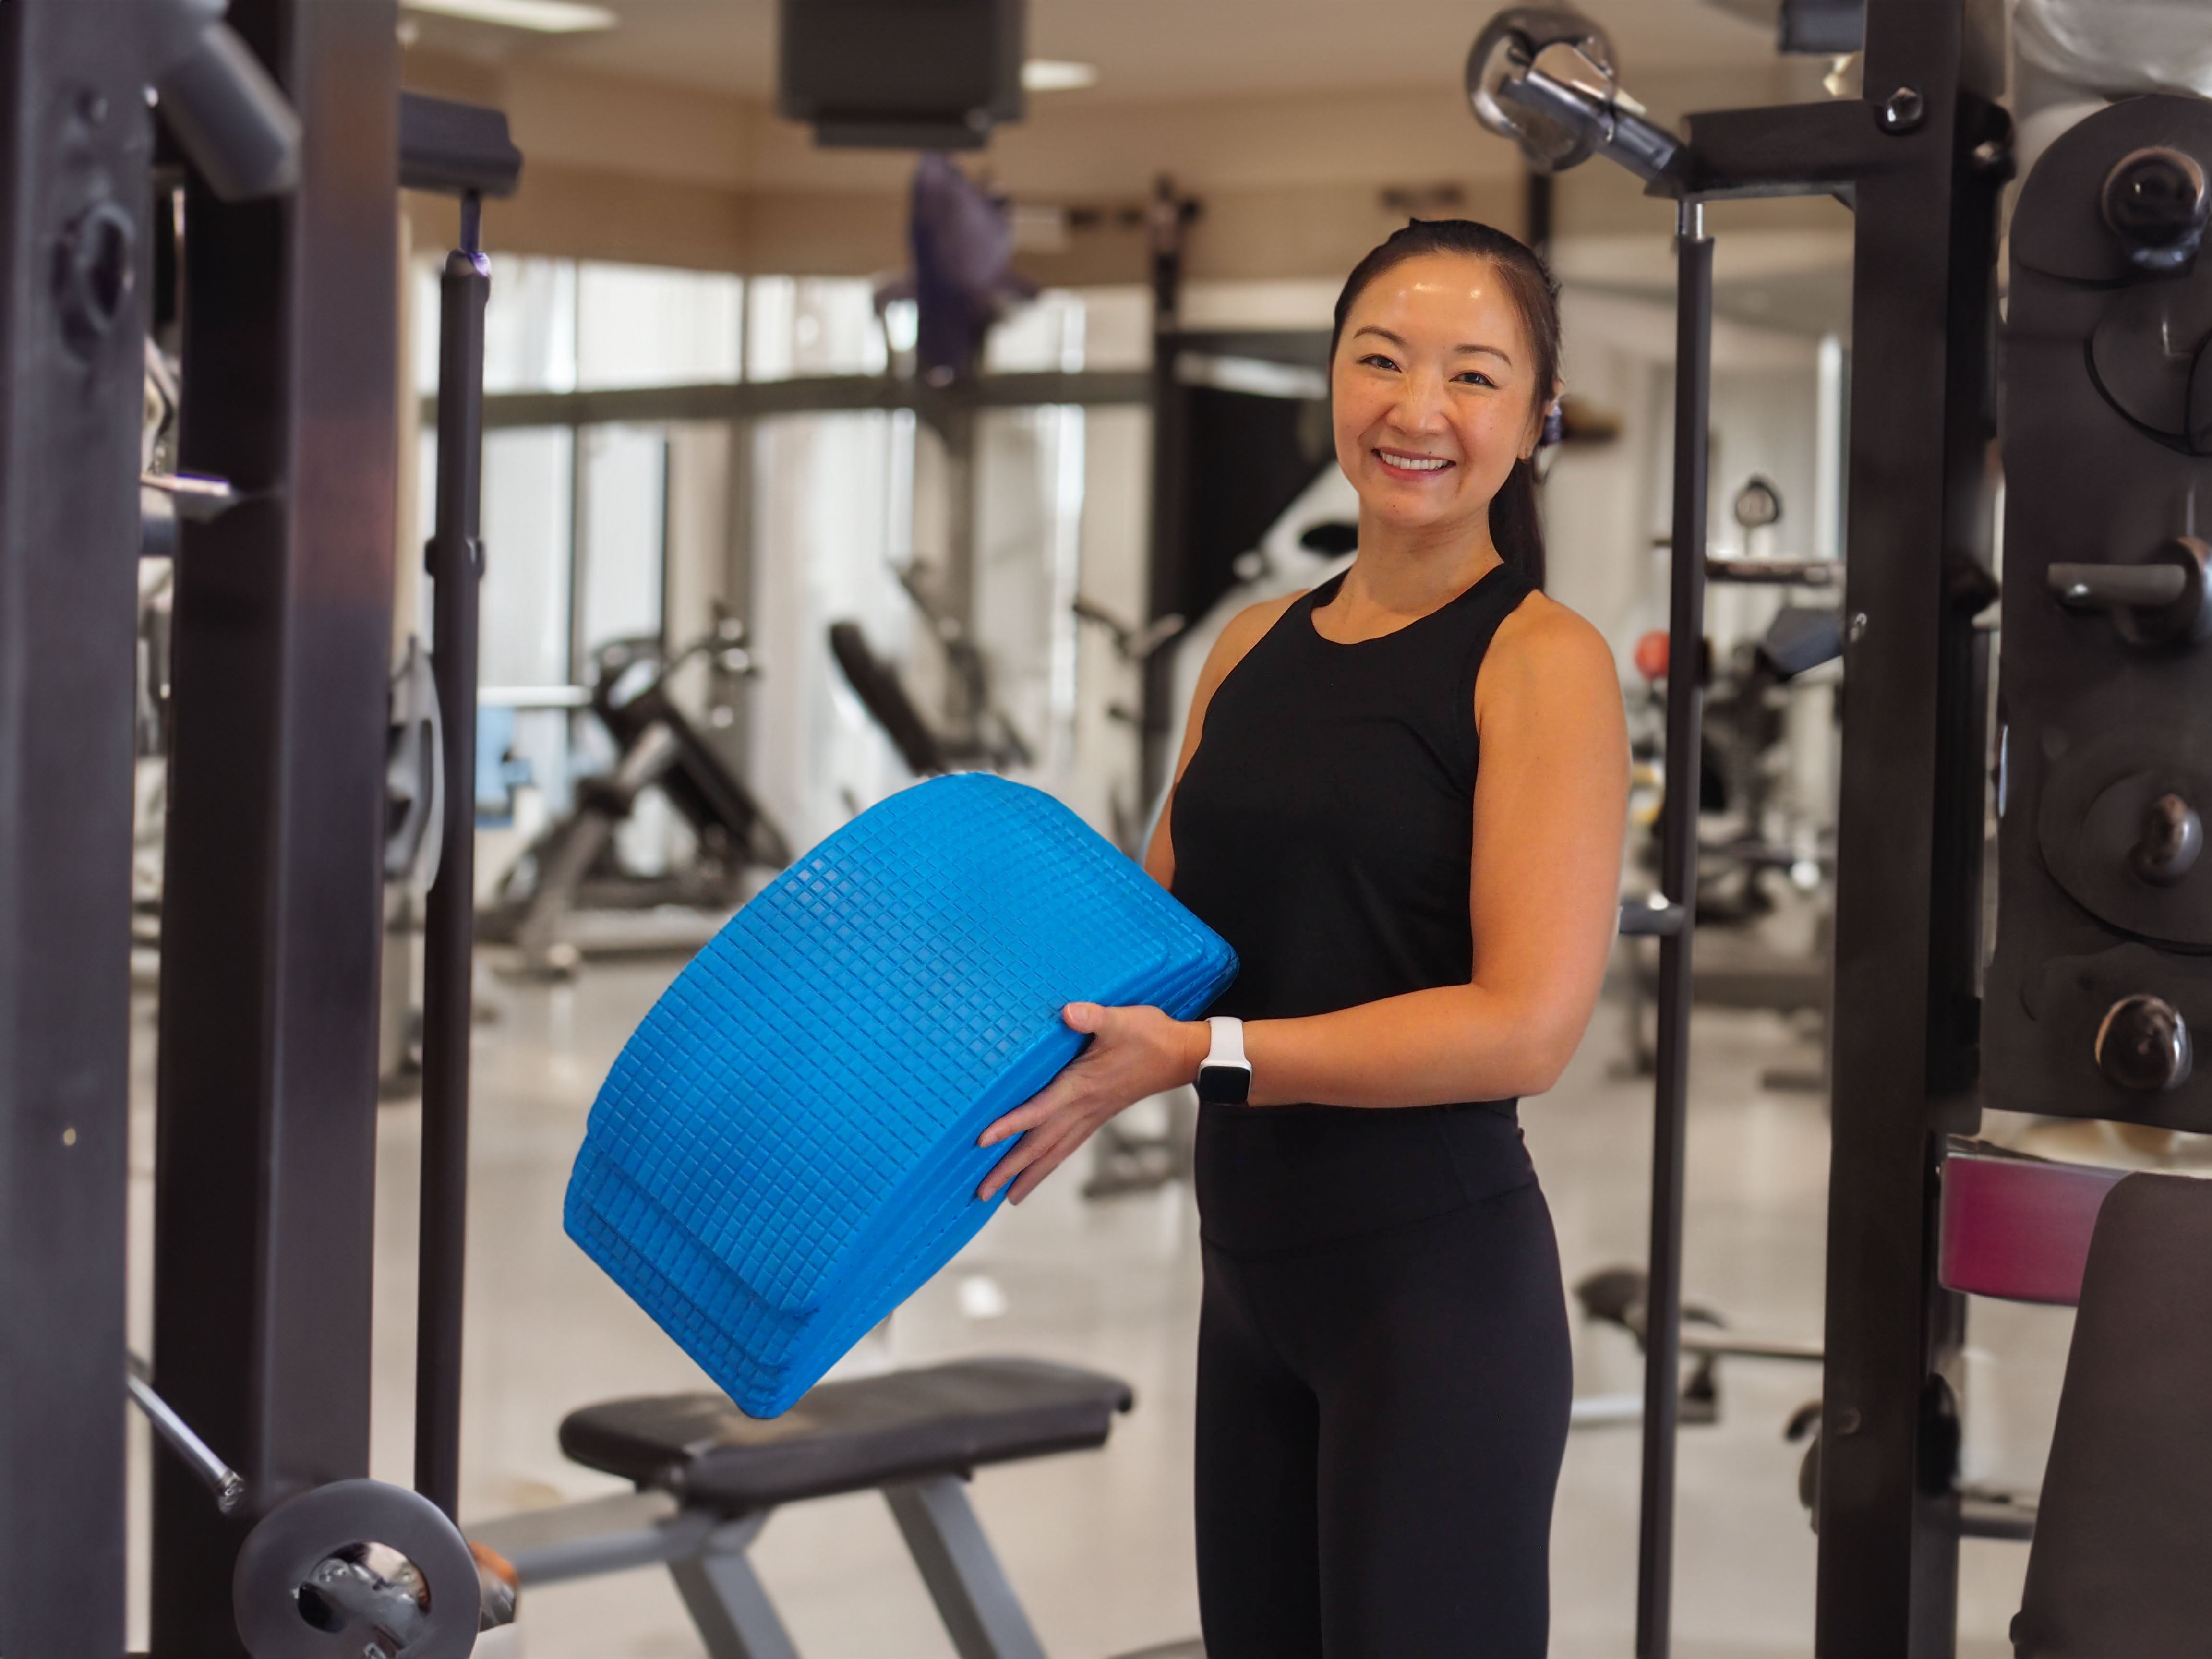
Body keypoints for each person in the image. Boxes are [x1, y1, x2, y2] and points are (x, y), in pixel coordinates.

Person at [977, 219, 1629, 1658]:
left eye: (1472, 375)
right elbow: (1160, 933)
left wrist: (1202, 1057)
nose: (1416, 410)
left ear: (1534, 422)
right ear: (1331, 382)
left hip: (1435, 1301)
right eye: (1381, 361)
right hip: (1250, 1290)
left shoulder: (1542, 663)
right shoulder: (1251, 645)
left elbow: (1525, 1024)